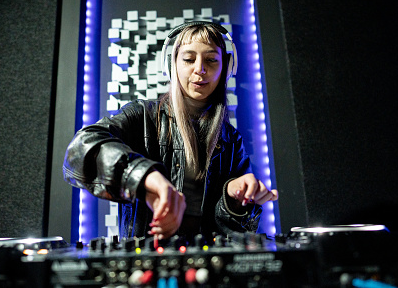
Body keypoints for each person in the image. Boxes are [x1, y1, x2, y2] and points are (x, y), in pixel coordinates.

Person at [63, 22, 278, 241]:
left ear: (226, 68)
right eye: (188, 59)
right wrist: (145, 176)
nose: (199, 69)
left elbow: (237, 232)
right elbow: (80, 149)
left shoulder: (231, 141)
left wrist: (232, 198)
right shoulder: (142, 116)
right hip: (147, 258)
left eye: (211, 60)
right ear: (172, 64)